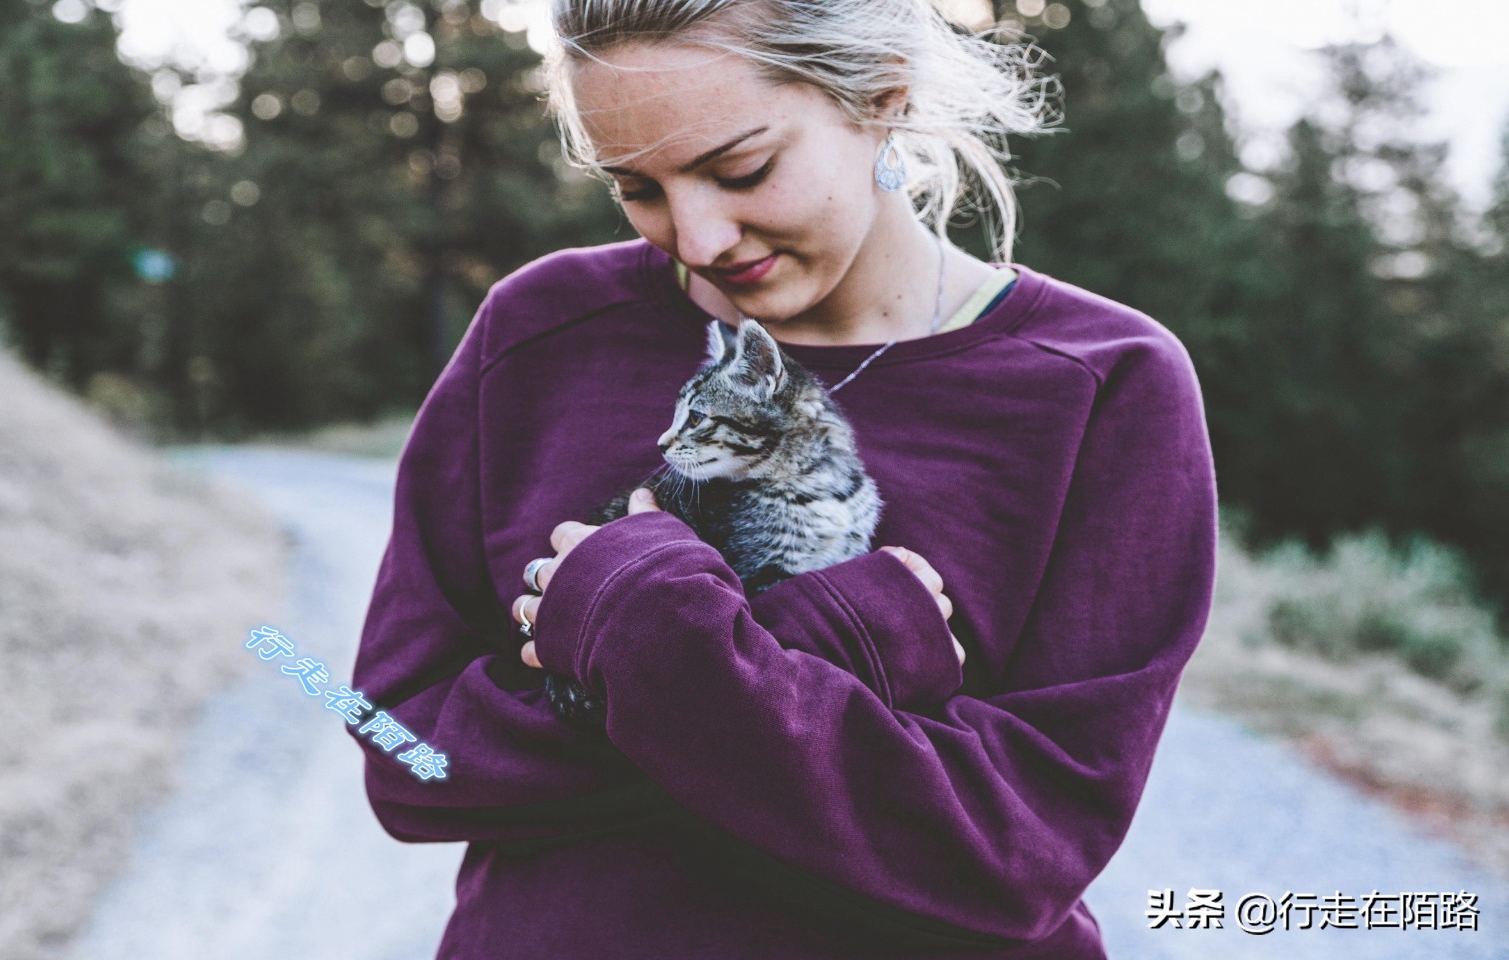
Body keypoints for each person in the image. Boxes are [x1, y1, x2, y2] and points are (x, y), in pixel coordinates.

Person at [346, 1, 1218, 957]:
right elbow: (405, 756)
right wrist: (823, 644)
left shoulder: (1102, 382)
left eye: (741, 170)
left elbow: (1018, 855)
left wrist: (652, 641)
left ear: (883, 97)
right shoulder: (541, 330)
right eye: (635, 186)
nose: (697, 237)